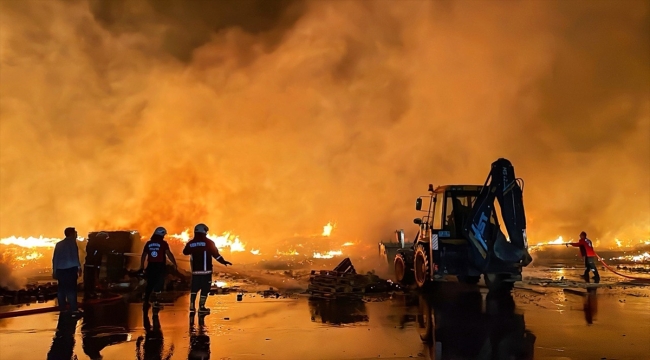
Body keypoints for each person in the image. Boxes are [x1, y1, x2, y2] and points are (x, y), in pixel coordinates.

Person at [183, 223, 232, 314]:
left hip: (195, 271)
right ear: (204, 231)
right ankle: (201, 307)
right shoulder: (209, 242)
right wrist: (223, 261)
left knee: (194, 288)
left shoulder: (191, 243)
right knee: (205, 288)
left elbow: (185, 252)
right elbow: (216, 255)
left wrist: (194, 249)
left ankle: (192, 306)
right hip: (206, 271)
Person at [138, 226, 177, 310]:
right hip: (160, 265)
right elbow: (168, 254)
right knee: (159, 282)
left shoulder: (148, 243)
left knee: (150, 283)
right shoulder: (163, 243)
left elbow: (144, 255)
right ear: (162, 234)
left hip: (151, 265)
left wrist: (142, 266)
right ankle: (156, 302)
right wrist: (174, 263)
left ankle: (146, 301)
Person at [52, 227, 82, 316]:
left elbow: (55, 259)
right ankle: (73, 309)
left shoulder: (59, 244)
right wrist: (79, 267)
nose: (76, 234)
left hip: (60, 270)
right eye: (75, 232)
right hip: (71, 269)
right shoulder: (73, 244)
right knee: (71, 289)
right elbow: (75, 257)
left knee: (61, 289)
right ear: (71, 234)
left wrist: (54, 271)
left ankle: (63, 308)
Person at [84, 232, 108, 300]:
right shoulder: (95, 245)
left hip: (92, 264)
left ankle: (91, 291)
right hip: (91, 264)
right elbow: (94, 255)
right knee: (90, 279)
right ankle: (89, 292)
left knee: (91, 279)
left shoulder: (93, 244)